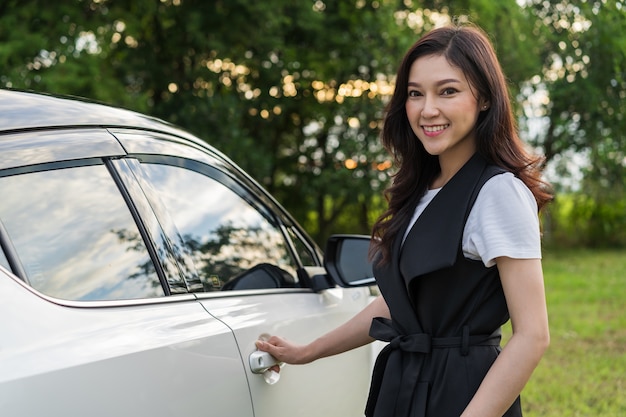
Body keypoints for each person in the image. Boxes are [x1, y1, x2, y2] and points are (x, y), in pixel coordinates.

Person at [256, 22, 552, 417]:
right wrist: (308, 352)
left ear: (484, 99)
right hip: (404, 385)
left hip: (462, 393)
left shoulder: (498, 192)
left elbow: (532, 336)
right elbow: (402, 305)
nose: (428, 109)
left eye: (448, 91)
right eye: (415, 94)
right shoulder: (421, 188)